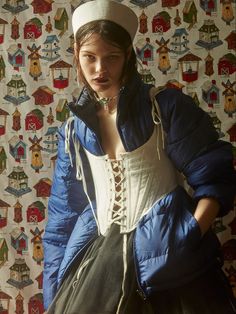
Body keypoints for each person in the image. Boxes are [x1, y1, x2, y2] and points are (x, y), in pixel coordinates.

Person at [43, 0, 236, 313]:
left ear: (128, 55)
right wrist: (53, 298)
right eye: (89, 57)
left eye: (111, 57)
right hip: (98, 266)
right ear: (76, 54)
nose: (100, 69)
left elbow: (214, 174)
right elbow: (62, 219)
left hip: (173, 267)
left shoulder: (164, 107)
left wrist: (189, 235)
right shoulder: (72, 133)